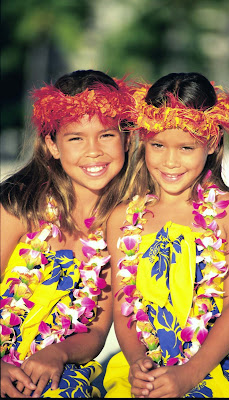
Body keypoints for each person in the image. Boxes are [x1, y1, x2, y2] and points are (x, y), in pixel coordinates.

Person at [103, 72, 229, 398]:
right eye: (158, 145)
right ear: (143, 140)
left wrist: (188, 374)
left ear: (213, 142)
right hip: (143, 362)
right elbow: (124, 308)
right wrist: (138, 364)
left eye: (187, 147)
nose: (170, 161)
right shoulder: (123, 218)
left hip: (215, 363)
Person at [0, 69, 134, 398]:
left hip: (62, 363)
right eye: (76, 138)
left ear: (127, 139)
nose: (93, 151)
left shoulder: (127, 227)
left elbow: (98, 331)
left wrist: (57, 354)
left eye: (106, 135)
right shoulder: (19, 205)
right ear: (52, 145)